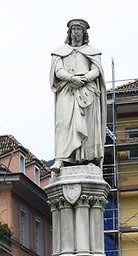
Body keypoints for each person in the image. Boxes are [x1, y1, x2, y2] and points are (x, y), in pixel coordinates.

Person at [50, 18, 106, 172]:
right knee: (63, 124)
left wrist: (84, 79)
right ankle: (61, 159)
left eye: (79, 29)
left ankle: (88, 159)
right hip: (67, 89)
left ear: (84, 32)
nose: (76, 32)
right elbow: (58, 70)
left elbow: (97, 70)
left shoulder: (92, 51)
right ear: (69, 32)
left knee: (87, 126)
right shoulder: (59, 51)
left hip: (87, 90)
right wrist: (72, 78)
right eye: (73, 29)